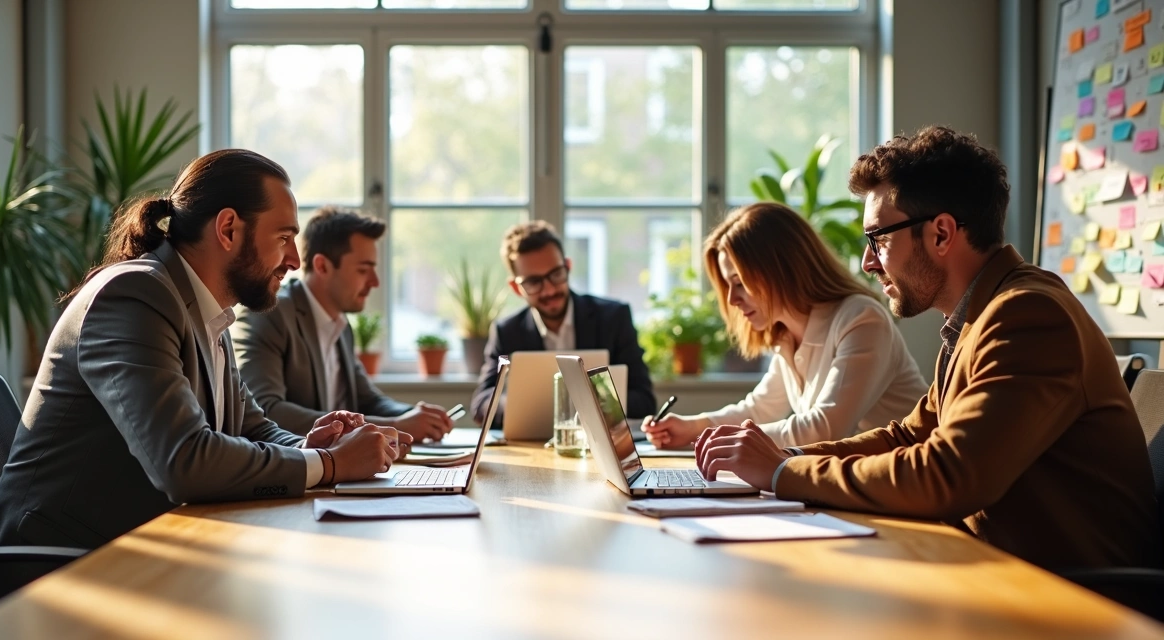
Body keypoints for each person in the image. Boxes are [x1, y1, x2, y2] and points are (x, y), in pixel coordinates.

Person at [695, 126, 1161, 571]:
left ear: (940, 233)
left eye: (878, 238)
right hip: (992, 569)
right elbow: (910, 434)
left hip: (1071, 600)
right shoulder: (976, 318)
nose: (867, 261)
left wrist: (781, 474)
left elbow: (949, 475)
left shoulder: (1028, 316)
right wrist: (791, 460)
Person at [0, 149, 408, 608]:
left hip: (135, 558)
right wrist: (330, 466)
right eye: (284, 237)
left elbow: (253, 426)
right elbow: (184, 461)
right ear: (229, 228)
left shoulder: (206, 313)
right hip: (51, 579)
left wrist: (313, 447)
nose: (294, 259)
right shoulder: (134, 295)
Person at [643, 202, 926, 450]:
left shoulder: (861, 319)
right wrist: (693, 427)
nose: (732, 300)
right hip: (855, 481)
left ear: (781, 270)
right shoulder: (786, 335)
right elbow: (762, 407)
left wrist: (724, 440)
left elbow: (824, 429)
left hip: (911, 486)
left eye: (740, 283)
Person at [232, 206, 454, 441]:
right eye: (363, 270)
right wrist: (395, 425)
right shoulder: (270, 314)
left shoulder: (341, 325)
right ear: (322, 266)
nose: (375, 282)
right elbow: (267, 411)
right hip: (297, 470)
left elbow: (368, 399)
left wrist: (415, 416)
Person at [471, 221, 656, 424]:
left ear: (567, 267)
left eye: (556, 274)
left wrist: (591, 402)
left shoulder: (613, 318)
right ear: (516, 288)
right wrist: (518, 404)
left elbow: (645, 401)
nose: (549, 290)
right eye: (534, 282)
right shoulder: (507, 331)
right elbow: (481, 404)